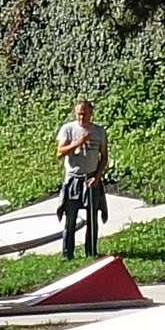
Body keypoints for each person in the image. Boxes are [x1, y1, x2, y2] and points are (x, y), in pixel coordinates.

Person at [56, 96, 112, 259]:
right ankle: (67, 254)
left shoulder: (99, 131)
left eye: (85, 114)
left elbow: (104, 157)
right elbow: (60, 153)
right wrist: (78, 142)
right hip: (73, 178)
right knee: (71, 217)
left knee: (92, 218)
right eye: (79, 114)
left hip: (91, 178)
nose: (82, 117)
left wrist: (98, 176)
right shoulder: (68, 129)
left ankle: (91, 251)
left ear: (91, 113)